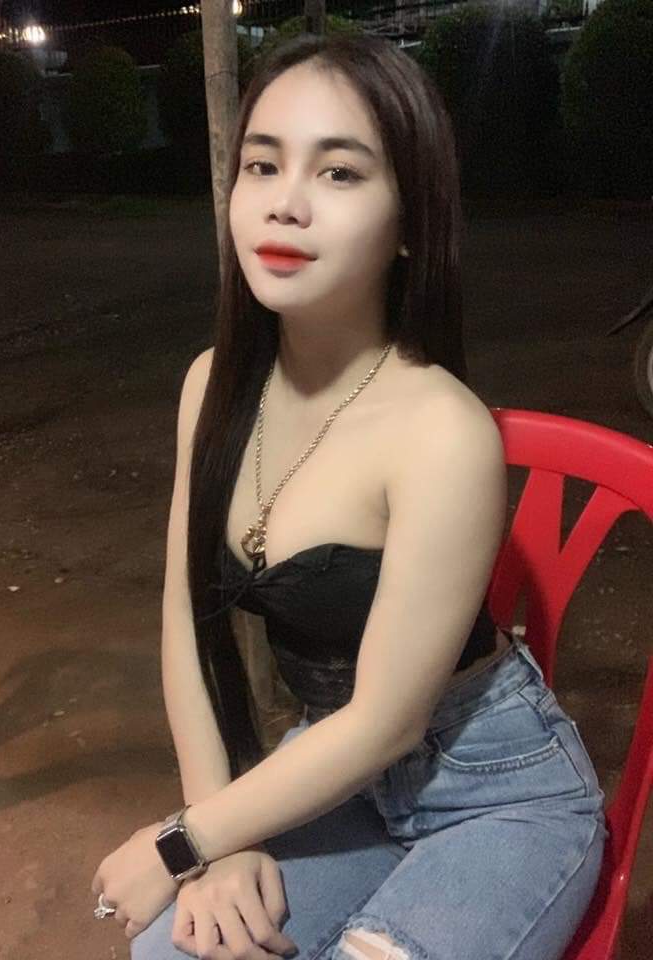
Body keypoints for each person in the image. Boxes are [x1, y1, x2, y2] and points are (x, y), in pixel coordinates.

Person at [91, 31, 607, 960]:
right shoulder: (212, 385)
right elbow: (188, 622)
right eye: (263, 164)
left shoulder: (442, 431)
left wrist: (177, 842)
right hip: (337, 774)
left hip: (494, 795)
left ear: (410, 222)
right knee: (172, 949)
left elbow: (386, 722)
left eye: (339, 172)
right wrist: (216, 840)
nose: (285, 202)